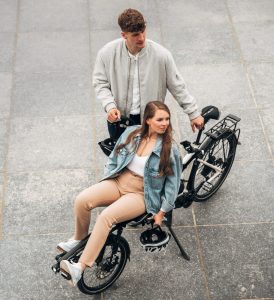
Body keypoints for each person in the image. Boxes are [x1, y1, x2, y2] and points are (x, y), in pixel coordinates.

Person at [58, 101, 182, 286]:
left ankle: (79, 268)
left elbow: (173, 185)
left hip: (141, 193)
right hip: (118, 181)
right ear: (147, 120)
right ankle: (78, 238)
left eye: (167, 119)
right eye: (159, 119)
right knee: (82, 200)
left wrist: (161, 213)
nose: (164, 123)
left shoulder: (169, 149)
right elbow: (115, 156)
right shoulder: (133, 132)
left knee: (106, 218)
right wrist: (108, 176)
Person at [93, 8, 204, 140]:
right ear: (124, 35)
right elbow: (100, 83)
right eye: (135, 35)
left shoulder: (161, 55)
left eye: (143, 32)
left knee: (153, 158)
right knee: (121, 158)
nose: (142, 38)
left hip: (151, 119)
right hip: (120, 120)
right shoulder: (107, 53)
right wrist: (109, 106)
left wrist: (193, 113)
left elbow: (177, 86)